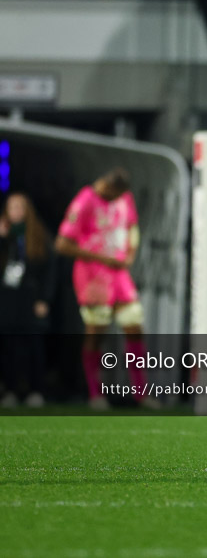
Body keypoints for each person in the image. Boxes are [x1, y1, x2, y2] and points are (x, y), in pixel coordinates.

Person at [55, 168, 156, 410]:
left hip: (119, 275)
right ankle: (95, 394)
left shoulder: (124, 198)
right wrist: (101, 257)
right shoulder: (84, 201)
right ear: (106, 186)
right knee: (96, 332)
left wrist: (130, 253)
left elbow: (132, 226)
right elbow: (62, 244)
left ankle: (142, 393)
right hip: (92, 277)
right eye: (112, 195)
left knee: (134, 326)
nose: (115, 199)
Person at [0, 193, 56, 408]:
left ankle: (36, 390)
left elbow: (50, 271)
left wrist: (44, 299)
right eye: (12, 208)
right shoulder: (6, 237)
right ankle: (11, 389)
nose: (16, 212)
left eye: (20, 207)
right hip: (7, 297)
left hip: (31, 296)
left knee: (34, 344)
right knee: (8, 345)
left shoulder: (38, 235)